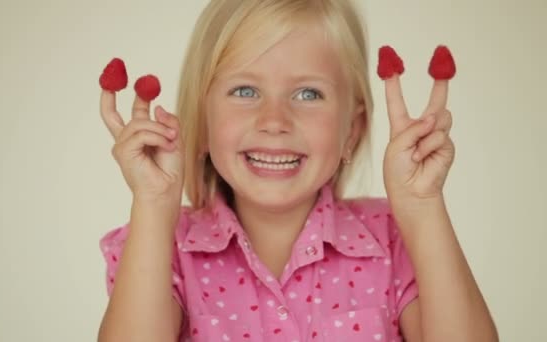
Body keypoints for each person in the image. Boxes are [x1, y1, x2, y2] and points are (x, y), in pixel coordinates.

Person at [96, 1, 498, 341]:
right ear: (201, 124)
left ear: (351, 131)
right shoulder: (160, 246)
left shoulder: (396, 238)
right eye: (245, 91)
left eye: (308, 93)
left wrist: (422, 206)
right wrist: (152, 202)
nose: (275, 120)